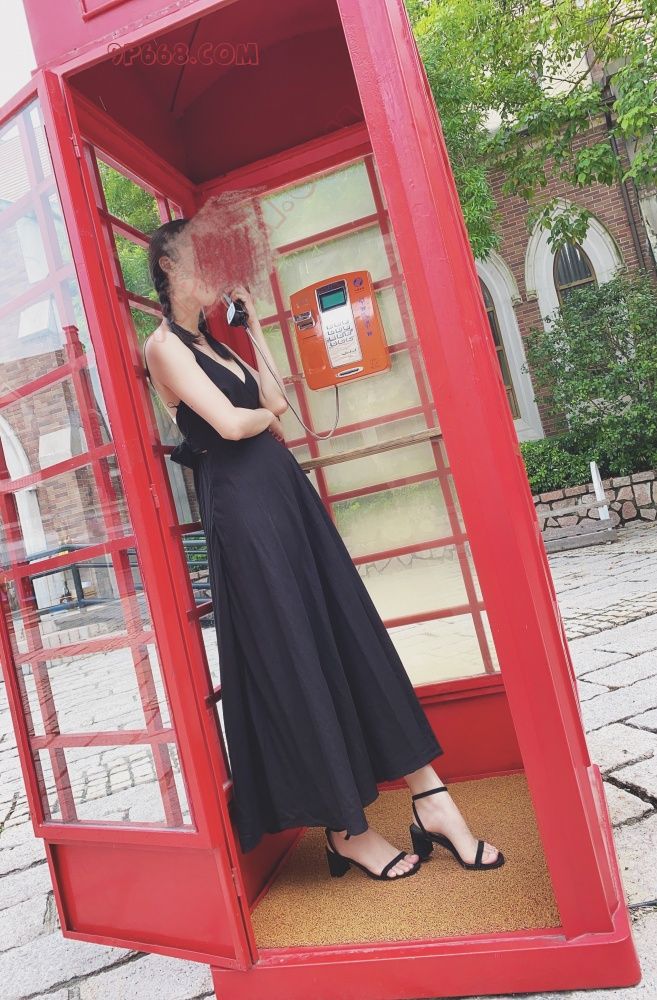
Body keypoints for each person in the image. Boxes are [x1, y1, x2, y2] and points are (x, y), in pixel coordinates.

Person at [143, 218, 504, 881]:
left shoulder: (216, 344)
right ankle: (346, 830)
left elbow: (277, 401)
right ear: (167, 265)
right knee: (296, 652)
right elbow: (233, 423)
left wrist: (253, 328)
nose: (214, 266)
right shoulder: (163, 347)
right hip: (245, 515)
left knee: (346, 632)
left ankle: (430, 795)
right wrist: (263, 419)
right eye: (201, 255)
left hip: (284, 497)